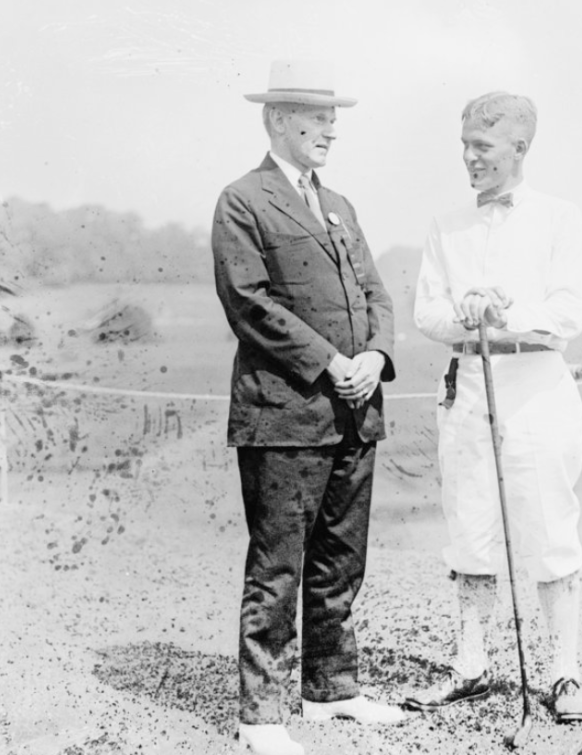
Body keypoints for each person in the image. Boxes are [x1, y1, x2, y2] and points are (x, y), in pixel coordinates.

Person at [211, 60, 403, 755]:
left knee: (340, 560)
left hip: (356, 411)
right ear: (275, 120)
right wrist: (330, 362)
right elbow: (250, 303)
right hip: (283, 414)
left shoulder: (340, 205)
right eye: (316, 118)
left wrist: (376, 358)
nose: (330, 131)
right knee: (279, 561)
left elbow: (378, 296)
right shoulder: (243, 201)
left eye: (332, 119)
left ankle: (332, 689)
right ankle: (260, 713)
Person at [406, 91, 582, 723]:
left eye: (481, 147)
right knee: (470, 528)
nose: (469, 158)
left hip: (537, 388)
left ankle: (564, 674)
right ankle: (471, 667)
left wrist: (505, 309)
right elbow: (424, 310)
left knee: (548, 529)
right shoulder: (446, 224)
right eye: (464, 146)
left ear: (519, 147)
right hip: (466, 387)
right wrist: (460, 314)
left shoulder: (560, 217)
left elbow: (570, 311)